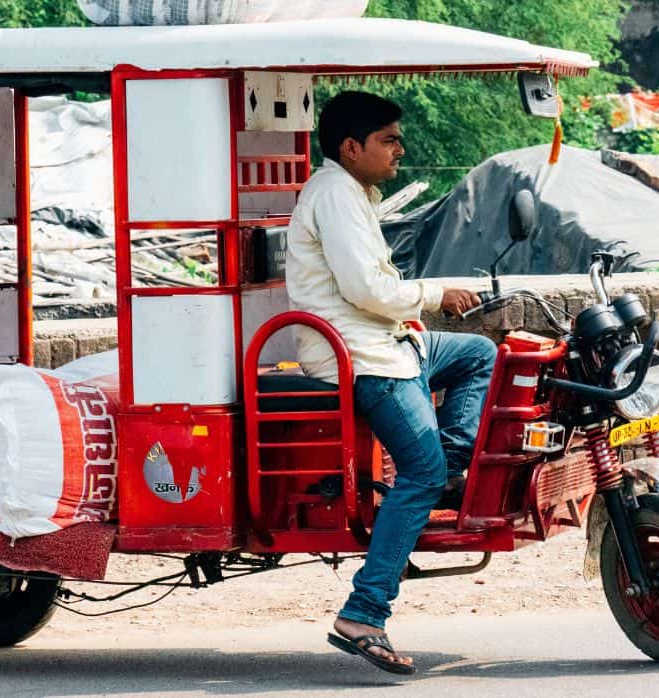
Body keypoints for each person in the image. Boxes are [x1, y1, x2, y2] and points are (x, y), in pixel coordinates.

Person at [284, 90, 497, 675]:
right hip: (363, 359)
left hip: (393, 344)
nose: (400, 149)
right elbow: (368, 292)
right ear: (350, 148)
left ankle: (450, 466)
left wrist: (422, 306)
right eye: (388, 140)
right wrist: (433, 293)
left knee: (478, 353)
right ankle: (364, 611)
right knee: (420, 472)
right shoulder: (334, 195)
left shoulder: (353, 192)